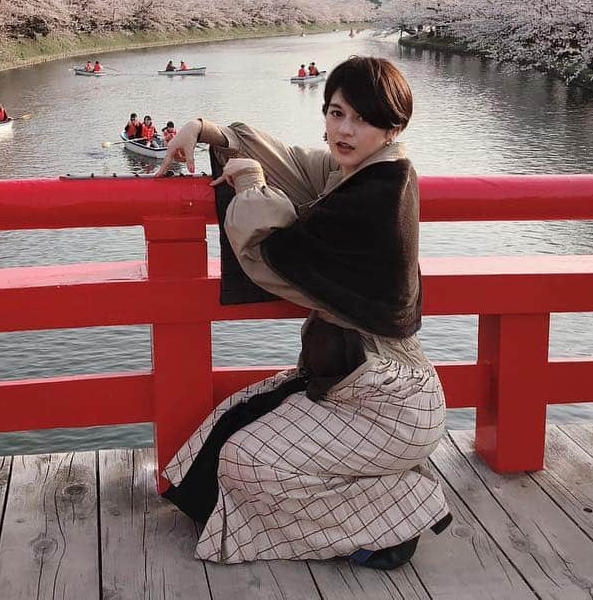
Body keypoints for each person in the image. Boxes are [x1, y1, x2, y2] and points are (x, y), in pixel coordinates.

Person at [154, 56, 450, 568]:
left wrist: (249, 186)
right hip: (366, 382)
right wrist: (208, 131)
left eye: (362, 119)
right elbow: (298, 162)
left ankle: (404, 510)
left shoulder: (373, 200)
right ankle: (387, 490)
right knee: (231, 421)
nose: (344, 130)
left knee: (243, 460)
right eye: (336, 113)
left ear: (393, 127)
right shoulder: (373, 171)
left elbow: (273, 253)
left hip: (386, 401)